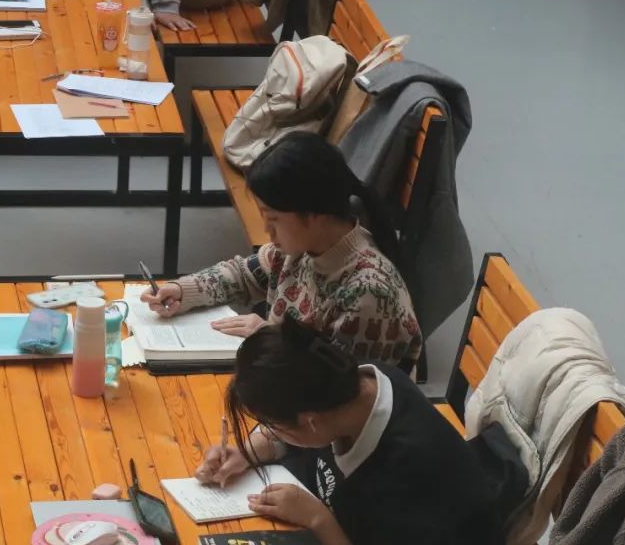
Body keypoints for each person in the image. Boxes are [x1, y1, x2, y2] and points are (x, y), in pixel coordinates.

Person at [196, 318, 509, 545]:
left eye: (272, 424)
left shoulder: (404, 474)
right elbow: (302, 428)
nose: (270, 431)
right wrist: (246, 452)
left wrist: (317, 519)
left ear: (310, 422)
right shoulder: (349, 387)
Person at [141, 131, 422, 370]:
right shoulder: (303, 248)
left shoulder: (368, 293)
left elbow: (336, 391)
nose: (266, 229)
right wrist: (183, 291)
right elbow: (243, 275)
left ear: (314, 214)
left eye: (273, 218)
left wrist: (269, 337)